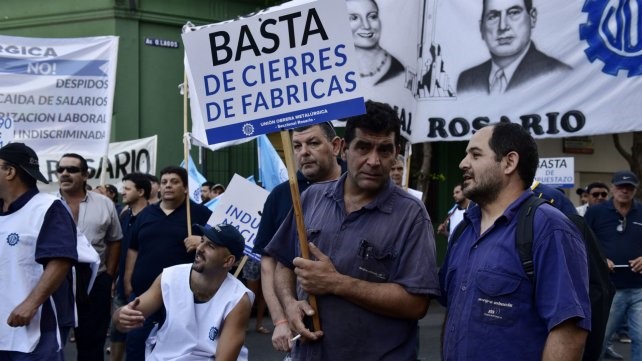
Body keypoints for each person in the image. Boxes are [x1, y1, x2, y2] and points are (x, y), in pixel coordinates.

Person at [266, 101, 440, 360]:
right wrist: (290, 304)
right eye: (363, 147)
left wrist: (337, 283)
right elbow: (283, 264)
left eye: (384, 150)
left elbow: (416, 304)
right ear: (344, 149)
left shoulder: (412, 216)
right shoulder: (311, 198)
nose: (374, 160)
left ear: (396, 153)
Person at [439, 123, 591, 361]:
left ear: (509, 162)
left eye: (475, 155)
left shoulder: (549, 228)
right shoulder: (463, 231)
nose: (463, 163)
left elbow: (568, 332)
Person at [253, 122, 343, 352]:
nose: (304, 152)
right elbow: (269, 263)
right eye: (297, 145)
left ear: (335, 146)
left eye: (313, 143)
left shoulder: (355, 187)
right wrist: (281, 319)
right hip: (302, 332)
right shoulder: (282, 195)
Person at [114, 223, 254, 361]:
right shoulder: (170, 277)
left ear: (228, 261)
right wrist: (122, 316)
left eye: (210, 246)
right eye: (202, 241)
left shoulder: (238, 299)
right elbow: (121, 322)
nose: (199, 248)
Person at [124, 165, 212, 360]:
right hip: (144, 294)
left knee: (177, 351)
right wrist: (128, 280)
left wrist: (202, 242)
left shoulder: (200, 214)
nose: (168, 186)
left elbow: (222, 250)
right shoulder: (145, 214)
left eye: (174, 182)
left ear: (186, 188)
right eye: (164, 182)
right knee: (136, 345)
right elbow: (133, 248)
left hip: (183, 298)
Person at [0, 143, 78, 359]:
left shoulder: (47, 208)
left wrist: (30, 304)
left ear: (10, 171)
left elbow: (61, 260)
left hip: (32, 330)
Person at [57, 153, 123, 361]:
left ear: (85, 175)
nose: (65, 173)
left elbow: (115, 240)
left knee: (91, 346)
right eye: (61, 169)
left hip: (95, 282)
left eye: (72, 169)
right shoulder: (47, 204)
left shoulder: (105, 204)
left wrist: (108, 275)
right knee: (52, 342)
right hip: (55, 282)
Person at [584, 171, 642, 361]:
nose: (624, 191)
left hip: (639, 288)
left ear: (635, 190)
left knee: (641, 339)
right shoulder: (596, 212)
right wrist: (600, 259)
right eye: (620, 186)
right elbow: (582, 241)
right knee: (599, 339)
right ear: (613, 188)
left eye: (629, 187)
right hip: (608, 289)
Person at [457, 0, 571, 95]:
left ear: (532, 18)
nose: (502, 26)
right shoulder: (466, 80)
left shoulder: (559, 74)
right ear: (481, 28)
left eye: (514, 13)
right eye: (493, 17)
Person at [109, 172, 151, 361]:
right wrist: (116, 277)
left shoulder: (152, 218)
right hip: (121, 285)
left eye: (127, 189)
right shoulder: (124, 216)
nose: (122, 193)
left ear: (141, 191)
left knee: (138, 335)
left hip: (143, 288)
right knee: (117, 330)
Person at [347, 0, 407, 88]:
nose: (366, 26)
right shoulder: (333, 69)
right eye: (354, 18)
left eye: (372, 16)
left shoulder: (399, 72)